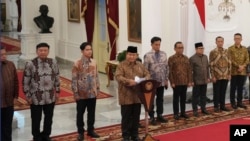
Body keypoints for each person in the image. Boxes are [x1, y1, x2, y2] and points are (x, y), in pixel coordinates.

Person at [22, 43, 60, 141]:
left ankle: (46, 134)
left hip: (50, 96)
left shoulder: (53, 62)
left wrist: (58, 91)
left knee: (49, 118)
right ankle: (36, 136)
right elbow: (26, 80)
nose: (43, 52)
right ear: (37, 51)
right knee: (36, 118)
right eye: (41, 50)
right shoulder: (30, 64)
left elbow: (57, 77)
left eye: (45, 50)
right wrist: (27, 95)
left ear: (48, 51)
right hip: (36, 97)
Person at [115, 46, 150, 141]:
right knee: (126, 117)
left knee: (136, 117)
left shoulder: (140, 65)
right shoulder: (121, 65)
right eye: (130, 54)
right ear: (126, 55)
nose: (131, 57)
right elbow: (118, 76)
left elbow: (147, 74)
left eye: (133, 55)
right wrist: (128, 81)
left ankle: (135, 135)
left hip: (137, 96)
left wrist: (143, 80)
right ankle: (125, 136)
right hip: (126, 95)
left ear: (136, 55)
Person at [71, 42, 100, 141]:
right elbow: (74, 79)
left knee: (91, 113)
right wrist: (75, 93)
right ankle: (80, 132)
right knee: (80, 113)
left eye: (90, 49)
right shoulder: (77, 63)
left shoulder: (94, 62)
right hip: (81, 94)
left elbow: (96, 76)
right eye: (87, 50)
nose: (89, 51)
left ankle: (91, 130)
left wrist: (98, 88)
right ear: (82, 51)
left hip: (92, 93)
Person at [143, 36, 169, 125]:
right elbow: (145, 70)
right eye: (156, 44)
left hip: (161, 82)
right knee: (151, 100)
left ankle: (160, 115)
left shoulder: (164, 54)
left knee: (160, 99)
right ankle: (151, 117)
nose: (158, 46)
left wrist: (166, 79)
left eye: (159, 44)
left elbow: (166, 67)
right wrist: (147, 81)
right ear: (152, 44)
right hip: (152, 82)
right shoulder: (147, 55)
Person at [168, 41, 192, 120]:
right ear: (175, 49)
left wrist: (189, 81)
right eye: (179, 48)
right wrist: (172, 82)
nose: (181, 49)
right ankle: (176, 113)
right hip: (176, 82)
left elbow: (189, 70)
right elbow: (170, 71)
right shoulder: (171, 58)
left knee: (183, 98)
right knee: (176, 99)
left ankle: (183, 112)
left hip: (184, 81)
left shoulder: (186, 58)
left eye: (182, 48)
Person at [0, 45, 19, 141]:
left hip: (8, 103)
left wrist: (16, 96)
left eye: (4, 54)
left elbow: (16, 81)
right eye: (1, 55)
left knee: (7, 127)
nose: (4, 56)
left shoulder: (10, 64)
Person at [209, 36, 231, 112]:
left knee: (223, 91)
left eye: (221, 41)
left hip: (225, 75)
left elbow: (229, 63)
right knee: (216, 92)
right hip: (217, 76)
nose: (220, 43)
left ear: (223, 42)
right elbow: (211, 65)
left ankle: (222, 106)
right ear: (216, 42)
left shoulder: (226, 51)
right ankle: (216, 106)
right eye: (218, 41)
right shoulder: (213, 52)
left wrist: (229, 74)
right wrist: (213, 76)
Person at [228, 33, 249, 109]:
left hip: (242, 71)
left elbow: (247, 59)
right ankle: (233, 102)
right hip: (234, 71)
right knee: (233, 87)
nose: (237, 40)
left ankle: (239, 102)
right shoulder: (230, 49)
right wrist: (238, 66)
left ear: (241, 39)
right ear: (234, 39)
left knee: (240, 87)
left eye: (239, 38)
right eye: (236, 38)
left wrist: (243, 66)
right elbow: (230, 59)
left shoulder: (244, 49)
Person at [189, 42, 210, 117]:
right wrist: (191, 81)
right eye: (200, 49)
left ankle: (203, 109)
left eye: (202, 48)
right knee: (195, 96)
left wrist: (208, 77)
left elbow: (207, 68)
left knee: (203, 95)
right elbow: (190, 71)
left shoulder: (205, 57)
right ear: (196, 49)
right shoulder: (192, 58)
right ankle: (195, 110)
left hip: (204, 80)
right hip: (196, 80)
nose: (202, 50)